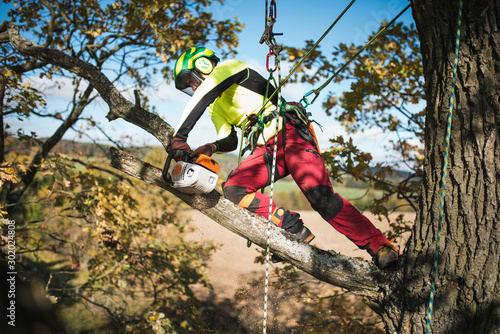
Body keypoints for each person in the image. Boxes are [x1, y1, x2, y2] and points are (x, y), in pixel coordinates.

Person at [167, 46, 399, 269]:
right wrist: (211, 146)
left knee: (320, 196)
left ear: (203, 65)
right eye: (189, 86)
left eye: (191, 81)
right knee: (234, 189)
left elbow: (205, 94)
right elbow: (229, 139)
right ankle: (290, 228)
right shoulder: (214, 106)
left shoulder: (229, 68)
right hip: (265, 149)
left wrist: (180, 137)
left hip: (289, 132)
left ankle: (380, 246)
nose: (194, 88)